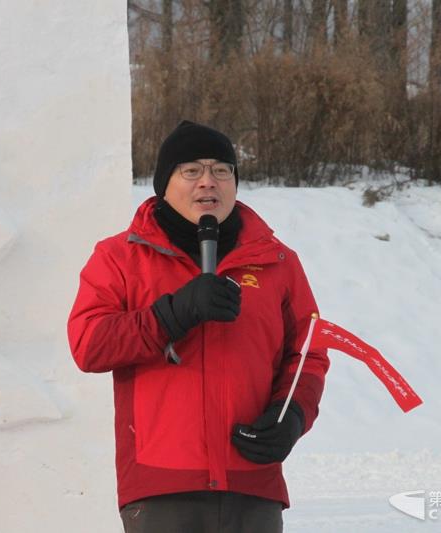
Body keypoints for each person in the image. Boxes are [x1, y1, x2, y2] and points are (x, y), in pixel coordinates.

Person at [67, 120, 330, 532]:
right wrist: (172, 314)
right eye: (191, 170)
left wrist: (292, 413)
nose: (208, 182)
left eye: (221, 170)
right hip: (162, 488)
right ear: (163, 183)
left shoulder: (277, 262)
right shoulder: (119, 257)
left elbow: (309, 353)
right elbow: (89, 344)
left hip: (253, 485)